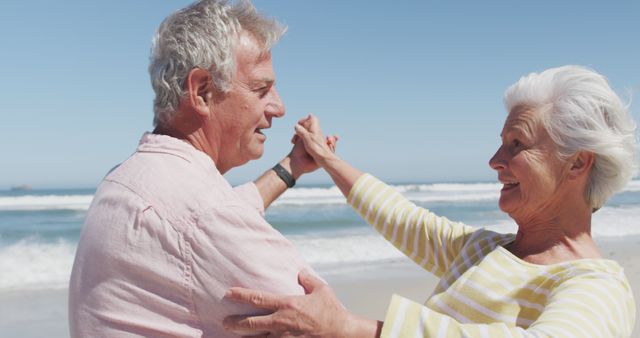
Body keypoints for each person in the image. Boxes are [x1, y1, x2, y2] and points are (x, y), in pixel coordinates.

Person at [223, 65, 638, 337]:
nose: (495, 161)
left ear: (576, 164)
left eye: (517, 145)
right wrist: (326, 159)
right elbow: (400, 216)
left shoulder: (596, 286)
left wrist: (348, 327)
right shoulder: (483, 251)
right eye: (500, 144)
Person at [68, 1, 336, 337]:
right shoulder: (204, 213)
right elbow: (321, 322)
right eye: (261, 89)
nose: (279, 108)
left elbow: (217, 219)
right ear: (202, 92)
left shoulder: (126, 178)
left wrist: (291, 167)